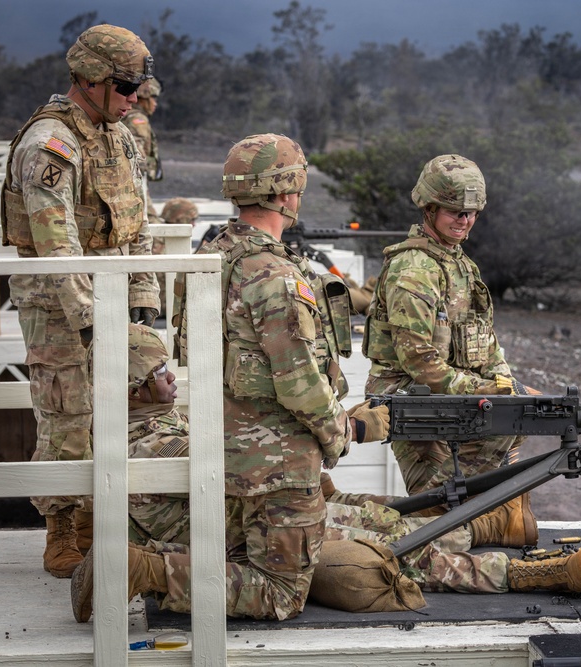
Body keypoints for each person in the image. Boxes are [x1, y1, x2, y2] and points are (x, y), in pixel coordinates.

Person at [73, 132, 391, 623]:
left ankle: (147, 562)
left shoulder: (210, 258)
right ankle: (137, 569)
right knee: (281, 591)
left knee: (241, 557)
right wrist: (342, 434)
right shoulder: (275, 275)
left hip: (219, 448)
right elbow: (300, 383)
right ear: (286, 193)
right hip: (276, 463)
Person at [70, 325, 581, 621]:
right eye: (160, 374)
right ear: (135, 387)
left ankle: (490, 528)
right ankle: (522, 572)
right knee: (396, 554)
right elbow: (250, 458)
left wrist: (323, 486)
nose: (171, 379)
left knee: (373, 513)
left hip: (247, 514)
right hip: (245, 531)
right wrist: (347, 428)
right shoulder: (156, 440)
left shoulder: (138, 422)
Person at [0, 23, 160, 578]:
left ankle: (100, 521)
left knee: (126, 409)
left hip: (112, 294)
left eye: (138, 86)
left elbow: (138, 220)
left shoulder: (118, 136)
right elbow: (55, 242)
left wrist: (143, 294)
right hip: (57, 305)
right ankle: (62, 531)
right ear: (89, 79)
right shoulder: (52, 142)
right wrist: (91, 318)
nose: (133, 97)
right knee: (67, 414)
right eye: (124, 85)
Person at [363, 154, 538, 502]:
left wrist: (507, 384)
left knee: (518, 416)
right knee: (438, 506)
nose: (465, 221)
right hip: (413, 403)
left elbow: (485, 343)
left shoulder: (461, 266)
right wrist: (489, 391)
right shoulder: (413, 270)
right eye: (454, 212)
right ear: (429, 209)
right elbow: (419, 362)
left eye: (471, 213)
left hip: (452, 400)